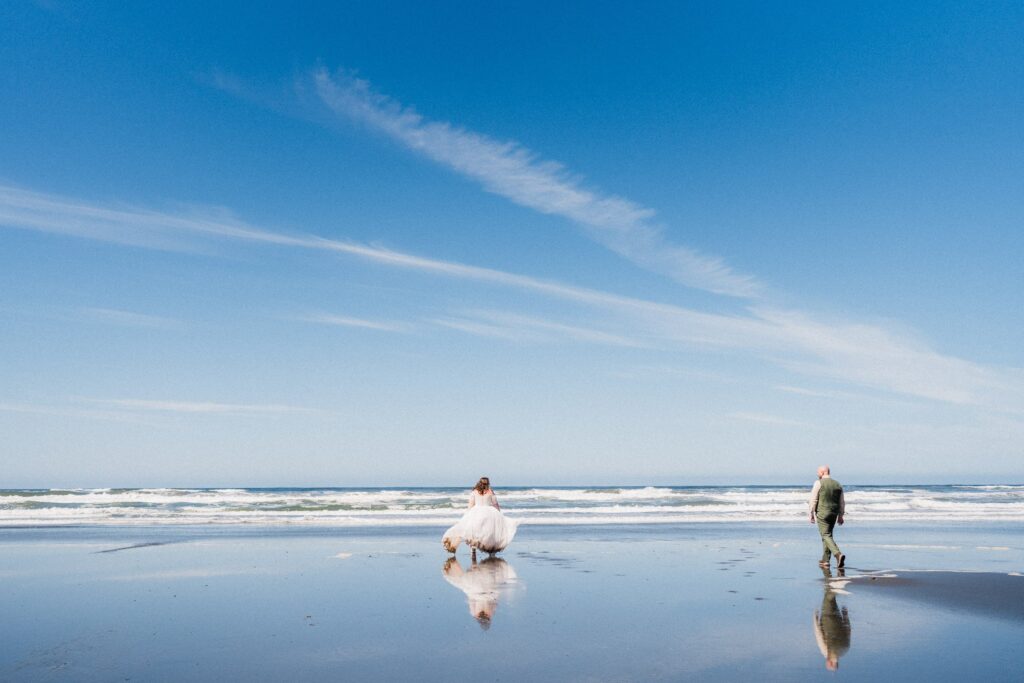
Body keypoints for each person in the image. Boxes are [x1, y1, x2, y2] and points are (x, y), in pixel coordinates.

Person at [442, 477, 518, 555]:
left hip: (476, 512)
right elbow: (495, 504)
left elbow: (471, 505)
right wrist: (499, 514)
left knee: (475, 531)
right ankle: (490, 551)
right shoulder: (490, 492)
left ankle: (473, 548)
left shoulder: (474, 492)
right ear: (488, 483)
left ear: (479, 483)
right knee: (488, 532)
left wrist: (467, 514)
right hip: (489, 512)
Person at [813, 566, 852, 670]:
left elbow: (848, 630)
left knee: (830, 597)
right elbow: (819, 635)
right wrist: (815, 619)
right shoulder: (827, 652)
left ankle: (832, 576)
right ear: (830, 663)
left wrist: (845, 615)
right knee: (828, 597)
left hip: (838, 618)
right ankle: (838, 584)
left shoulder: (844, 649)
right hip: (827, 620)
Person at [809, 465, 846, 568]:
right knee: (828, 535)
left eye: (818, 472)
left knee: (825, 535)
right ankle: (825, 560)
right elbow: (841, 502)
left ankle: (838, 554)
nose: (817, 474)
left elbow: (814, 499)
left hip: (822, 512)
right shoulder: (838, 484)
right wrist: (841, 515)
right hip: (833, 513)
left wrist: (811, 513)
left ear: (823, 472)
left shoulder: (818, 483)